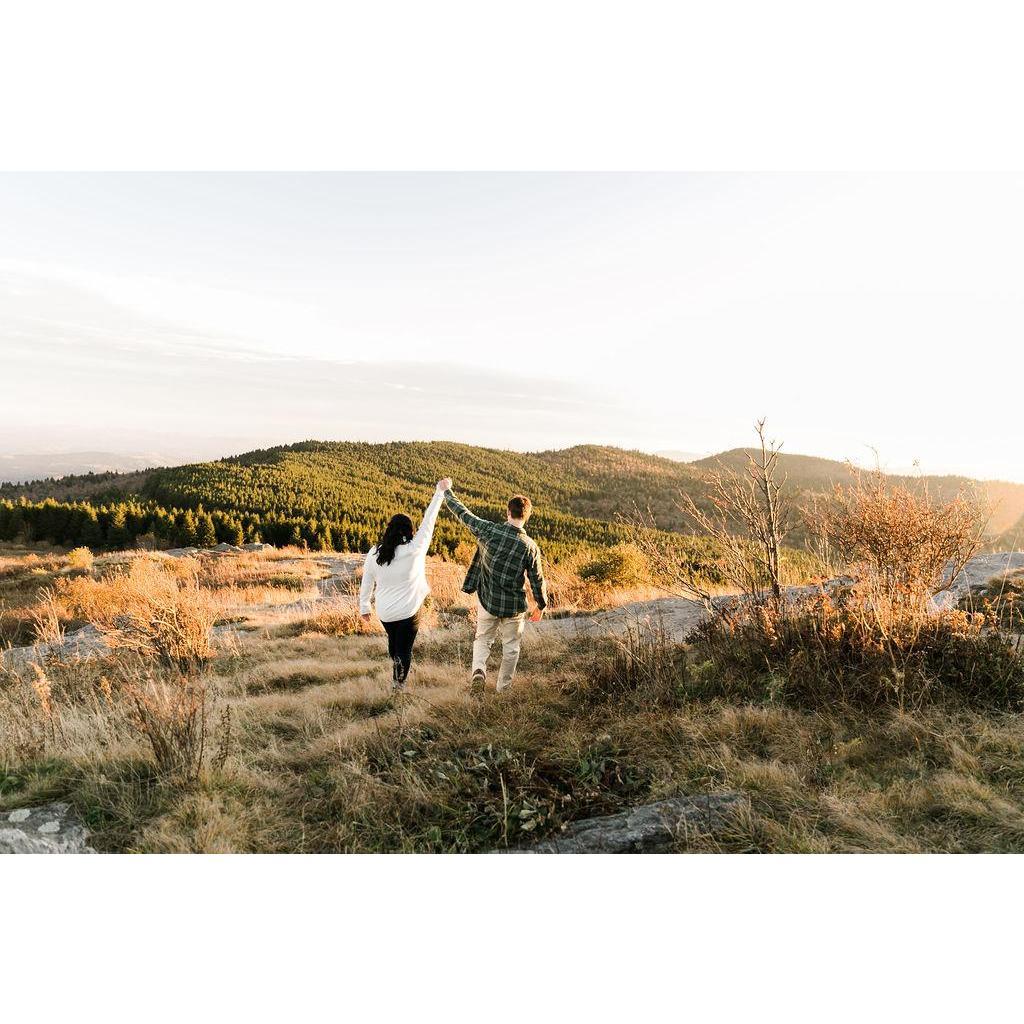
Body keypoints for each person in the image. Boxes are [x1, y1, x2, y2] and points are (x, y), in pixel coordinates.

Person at [441, 481, 547, 693]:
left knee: (482, 639)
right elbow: (537, 579)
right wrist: (541, 605)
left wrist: (447, 491)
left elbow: (463, 513)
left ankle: (479, 671)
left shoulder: (489, 530)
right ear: (527, 516)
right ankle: (503, 689)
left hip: (488, 600)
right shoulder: (530, 547)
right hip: (513, 606)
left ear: (508, 512)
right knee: (511, 649)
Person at [359, 481, 446, 690]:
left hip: (385, 612)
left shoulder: (375, 552)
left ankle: (396, 670)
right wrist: (439, 492)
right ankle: (398, 686)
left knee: (395, 644)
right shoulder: (415, 548)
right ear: (409, 531)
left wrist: (364, 606)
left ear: (389, 530)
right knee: (404, 649)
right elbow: (429, 520)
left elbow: (367, 579)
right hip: (408, 610)